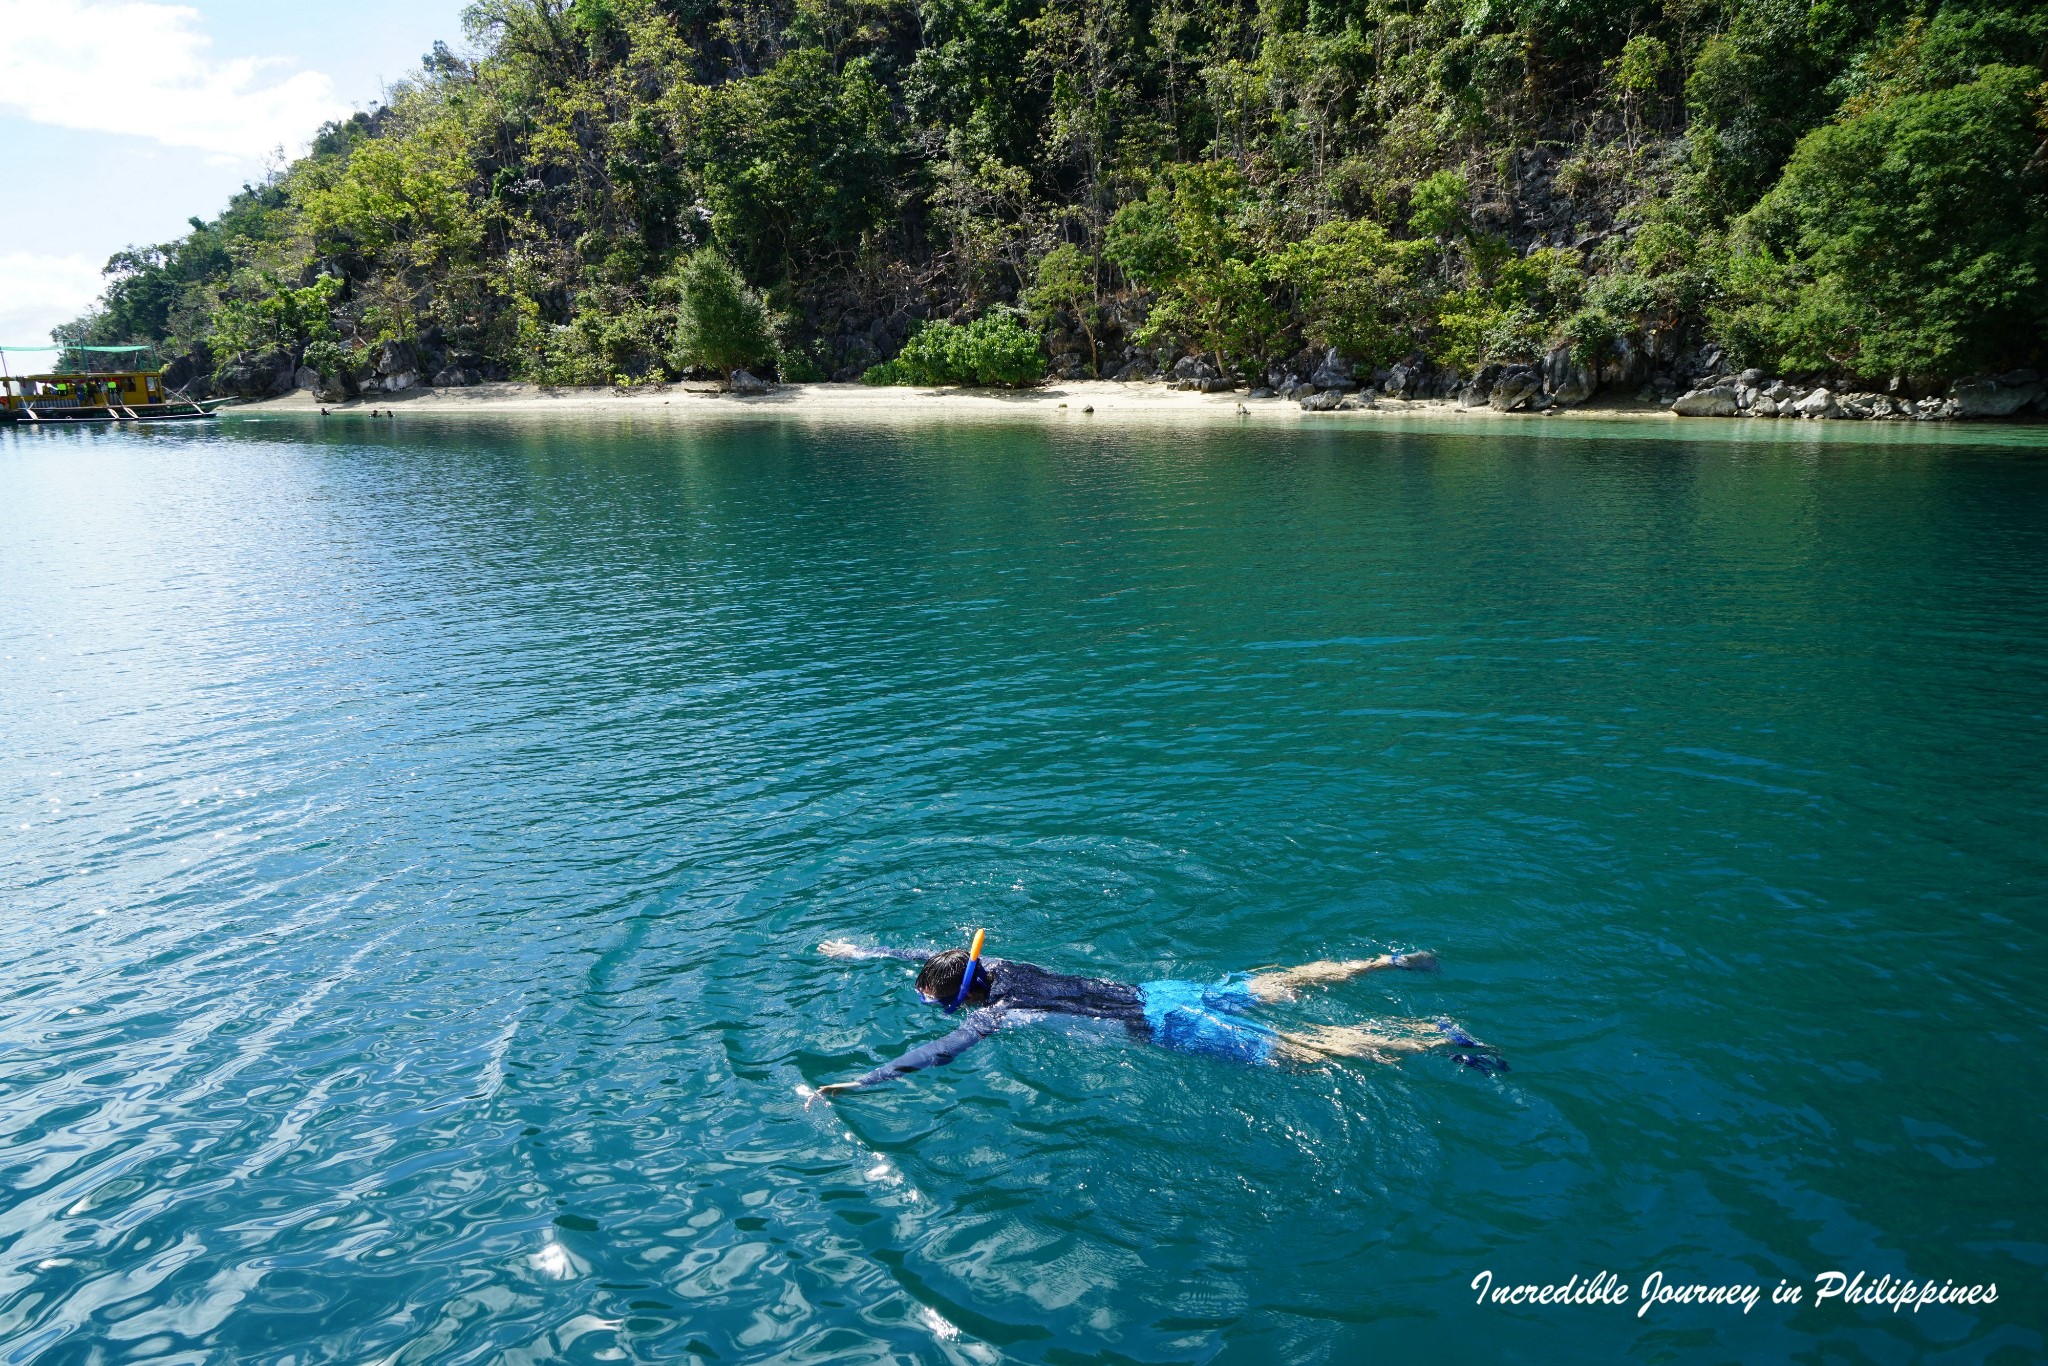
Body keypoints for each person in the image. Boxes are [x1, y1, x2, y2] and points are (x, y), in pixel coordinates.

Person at [809, 937, 1505, 1099]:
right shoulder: (1005, 969)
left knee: (1304, 1051)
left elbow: (935, 1056)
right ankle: (1380, 964)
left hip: (1167, 1030)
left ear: (966, 1001)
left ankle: (1426, 1038)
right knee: (1277, 984)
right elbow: (932, 955)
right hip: (1159, 991)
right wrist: (868, 951)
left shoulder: (997, 1016)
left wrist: (865, 1080)